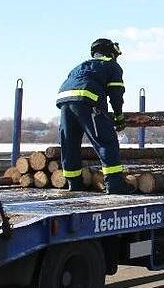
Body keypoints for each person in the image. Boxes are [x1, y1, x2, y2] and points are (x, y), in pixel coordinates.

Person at [56, 38, 132, 194]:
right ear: (111, 52)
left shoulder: (79, 67)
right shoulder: (111, 66)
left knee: (69, 142)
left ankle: (74, 183)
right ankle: (114, 184)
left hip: (64, 101)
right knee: (105, 140)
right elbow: (116, 94)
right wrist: (118, 116)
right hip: (88, 100)